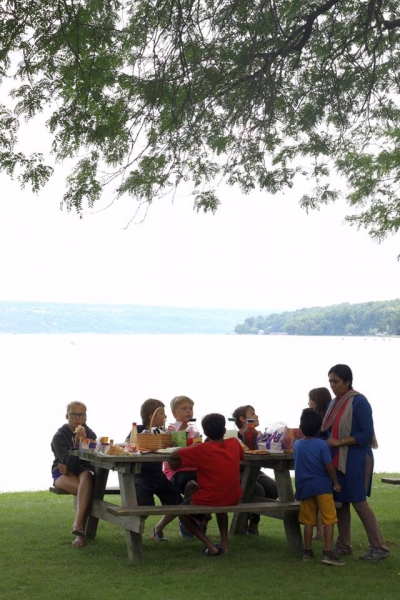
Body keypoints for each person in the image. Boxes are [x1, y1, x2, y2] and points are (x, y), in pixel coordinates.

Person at [321, 364, 390, 562]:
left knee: (359, 502)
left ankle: (379, 547)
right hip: (337, 457)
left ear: (347, 382)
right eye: (330, 382)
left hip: (356, 457)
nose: (332, 385)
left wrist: (341, 441)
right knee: (341, 502)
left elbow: (366, 434)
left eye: (336, 381)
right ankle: (344, 544)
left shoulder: (359, 402)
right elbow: (327, 431)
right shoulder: (333, 403)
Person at [167, 413, 244, 556]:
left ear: (205, 433)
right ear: (224, 430)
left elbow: (174, 456)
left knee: (181, 512)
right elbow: (241, 455)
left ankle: (211, 546)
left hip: (211, 496)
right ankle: (224, 544)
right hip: (233, 496)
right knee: (221, 508)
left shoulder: (201, 449)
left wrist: (196, 445)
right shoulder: (234, 443)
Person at [126, 398, 182, 541]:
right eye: (162, 413)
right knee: (145, 506)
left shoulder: (162, 433)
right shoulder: (139, 430)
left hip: (158, 475)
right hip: (141, 475)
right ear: (151, 416)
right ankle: (134, 535)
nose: (165, 416)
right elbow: (128, 445)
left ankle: (158, 529)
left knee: (177, 502)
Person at [294, 408, 344, 566]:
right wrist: (335, 482)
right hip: (322, 487)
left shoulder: (297, 445)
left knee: (308, 521)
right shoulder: (322, 444)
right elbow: (328, 465)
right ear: (319, 428)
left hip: (305, 488)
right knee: (329, 519)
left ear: (301, 428)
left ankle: (307, 552)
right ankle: (328, 552)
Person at [51, 401, 96, 548]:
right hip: (61, 473)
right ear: (67, 416)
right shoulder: (59, 437)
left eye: (81, 415)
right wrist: (76, 445)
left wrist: (71, 468)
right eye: (73, 414)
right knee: (86, 492)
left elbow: (91, 463)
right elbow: (66, 463)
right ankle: (80, 531)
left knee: (87, 476)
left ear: (85, 417)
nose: (77, 418)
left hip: (81, 471)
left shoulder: (90, 434)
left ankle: (78, 525)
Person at [232, 404, 278, 534]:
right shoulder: (233, 437)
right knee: (257, 490)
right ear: (242, 419)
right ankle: (252, 524)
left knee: (274, 489)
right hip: (238, 472)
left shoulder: (258, 436)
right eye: (252, 414)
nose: (256, 416)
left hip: (255, 471)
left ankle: (248, 518)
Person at [162, 395, 199, 538]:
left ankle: (197, 521)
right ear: (174, 413)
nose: (188, 411)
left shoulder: (194, 431)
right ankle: (186, 521)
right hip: (175, 471)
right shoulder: (170, 430)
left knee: (208, 484)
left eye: (190, 408)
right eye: (184, 408)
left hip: (192, 468)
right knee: (191, 485)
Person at [307, 387, 332, 541]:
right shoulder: (325, 418)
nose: (308, 403)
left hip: (320, 463)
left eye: (310, 400)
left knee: (318, 498)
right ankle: (320, 532)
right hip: (322, 462)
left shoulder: (321, 421)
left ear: (317, 401)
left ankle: (320, 531)